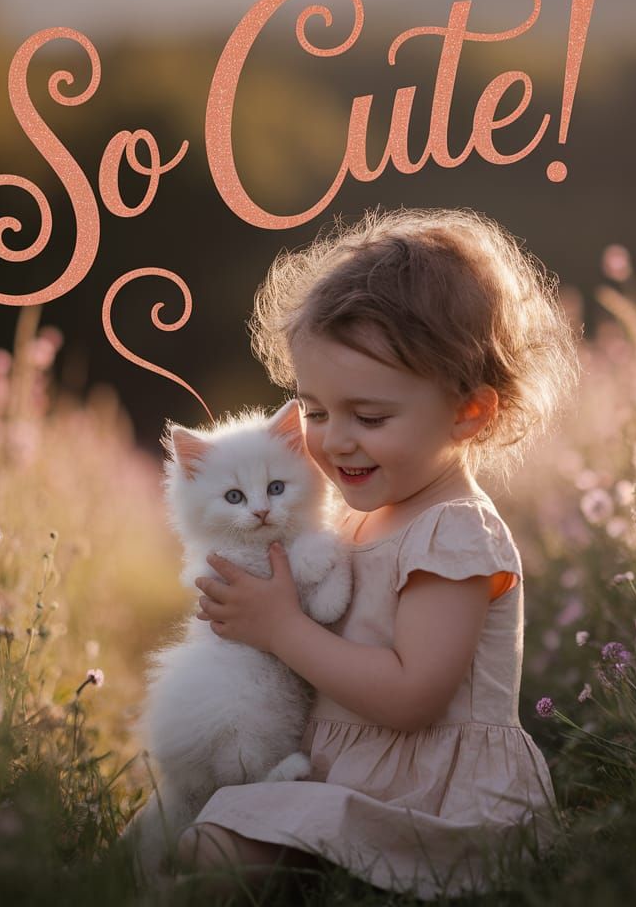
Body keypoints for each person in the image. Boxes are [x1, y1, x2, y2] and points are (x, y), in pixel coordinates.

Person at [176, 206, 581, 901]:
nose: (334, 441)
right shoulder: (358, 517)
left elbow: (410, 697)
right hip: (348, 774)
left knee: (216, 854)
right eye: (316, 411)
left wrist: (281, 628)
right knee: (189, 833)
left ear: (469, 412)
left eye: (369, 417)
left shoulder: (454, 533)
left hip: (433, 802)